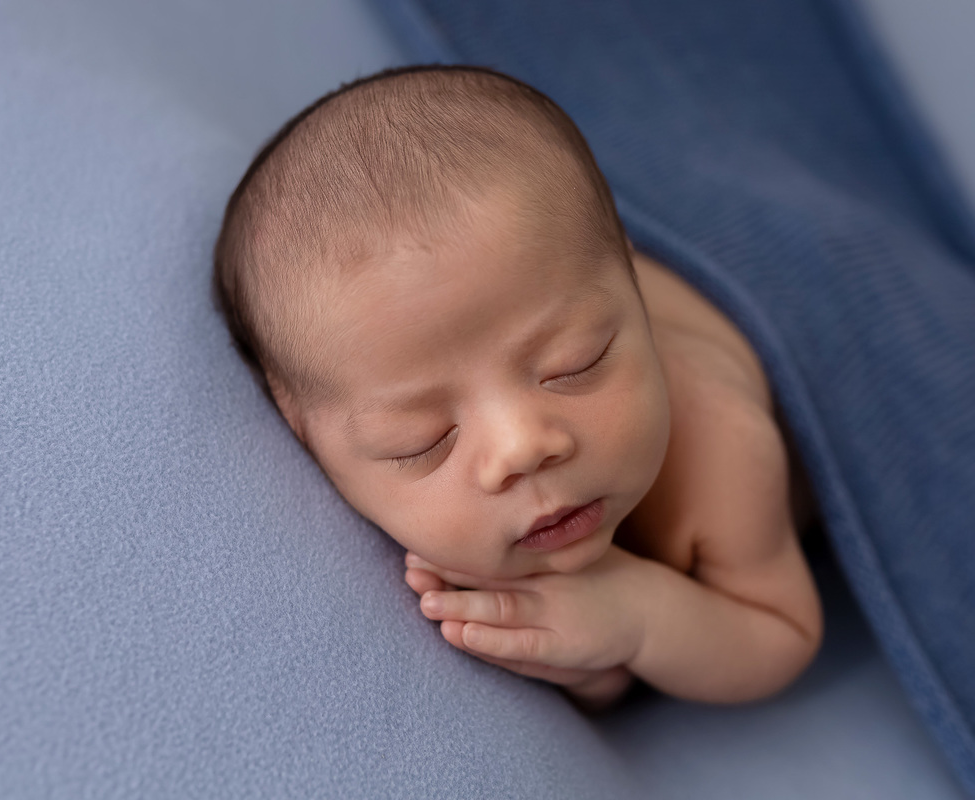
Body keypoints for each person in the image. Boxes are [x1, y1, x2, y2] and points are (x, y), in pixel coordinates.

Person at [213, 65, 822, 710]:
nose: (521, 447)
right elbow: (595, 680)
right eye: (423, 442)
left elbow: (780, 632)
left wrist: (640, 616)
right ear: (302, 432)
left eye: (574, 364)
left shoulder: (724, 440)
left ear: (631, 281)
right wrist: (585, 663)